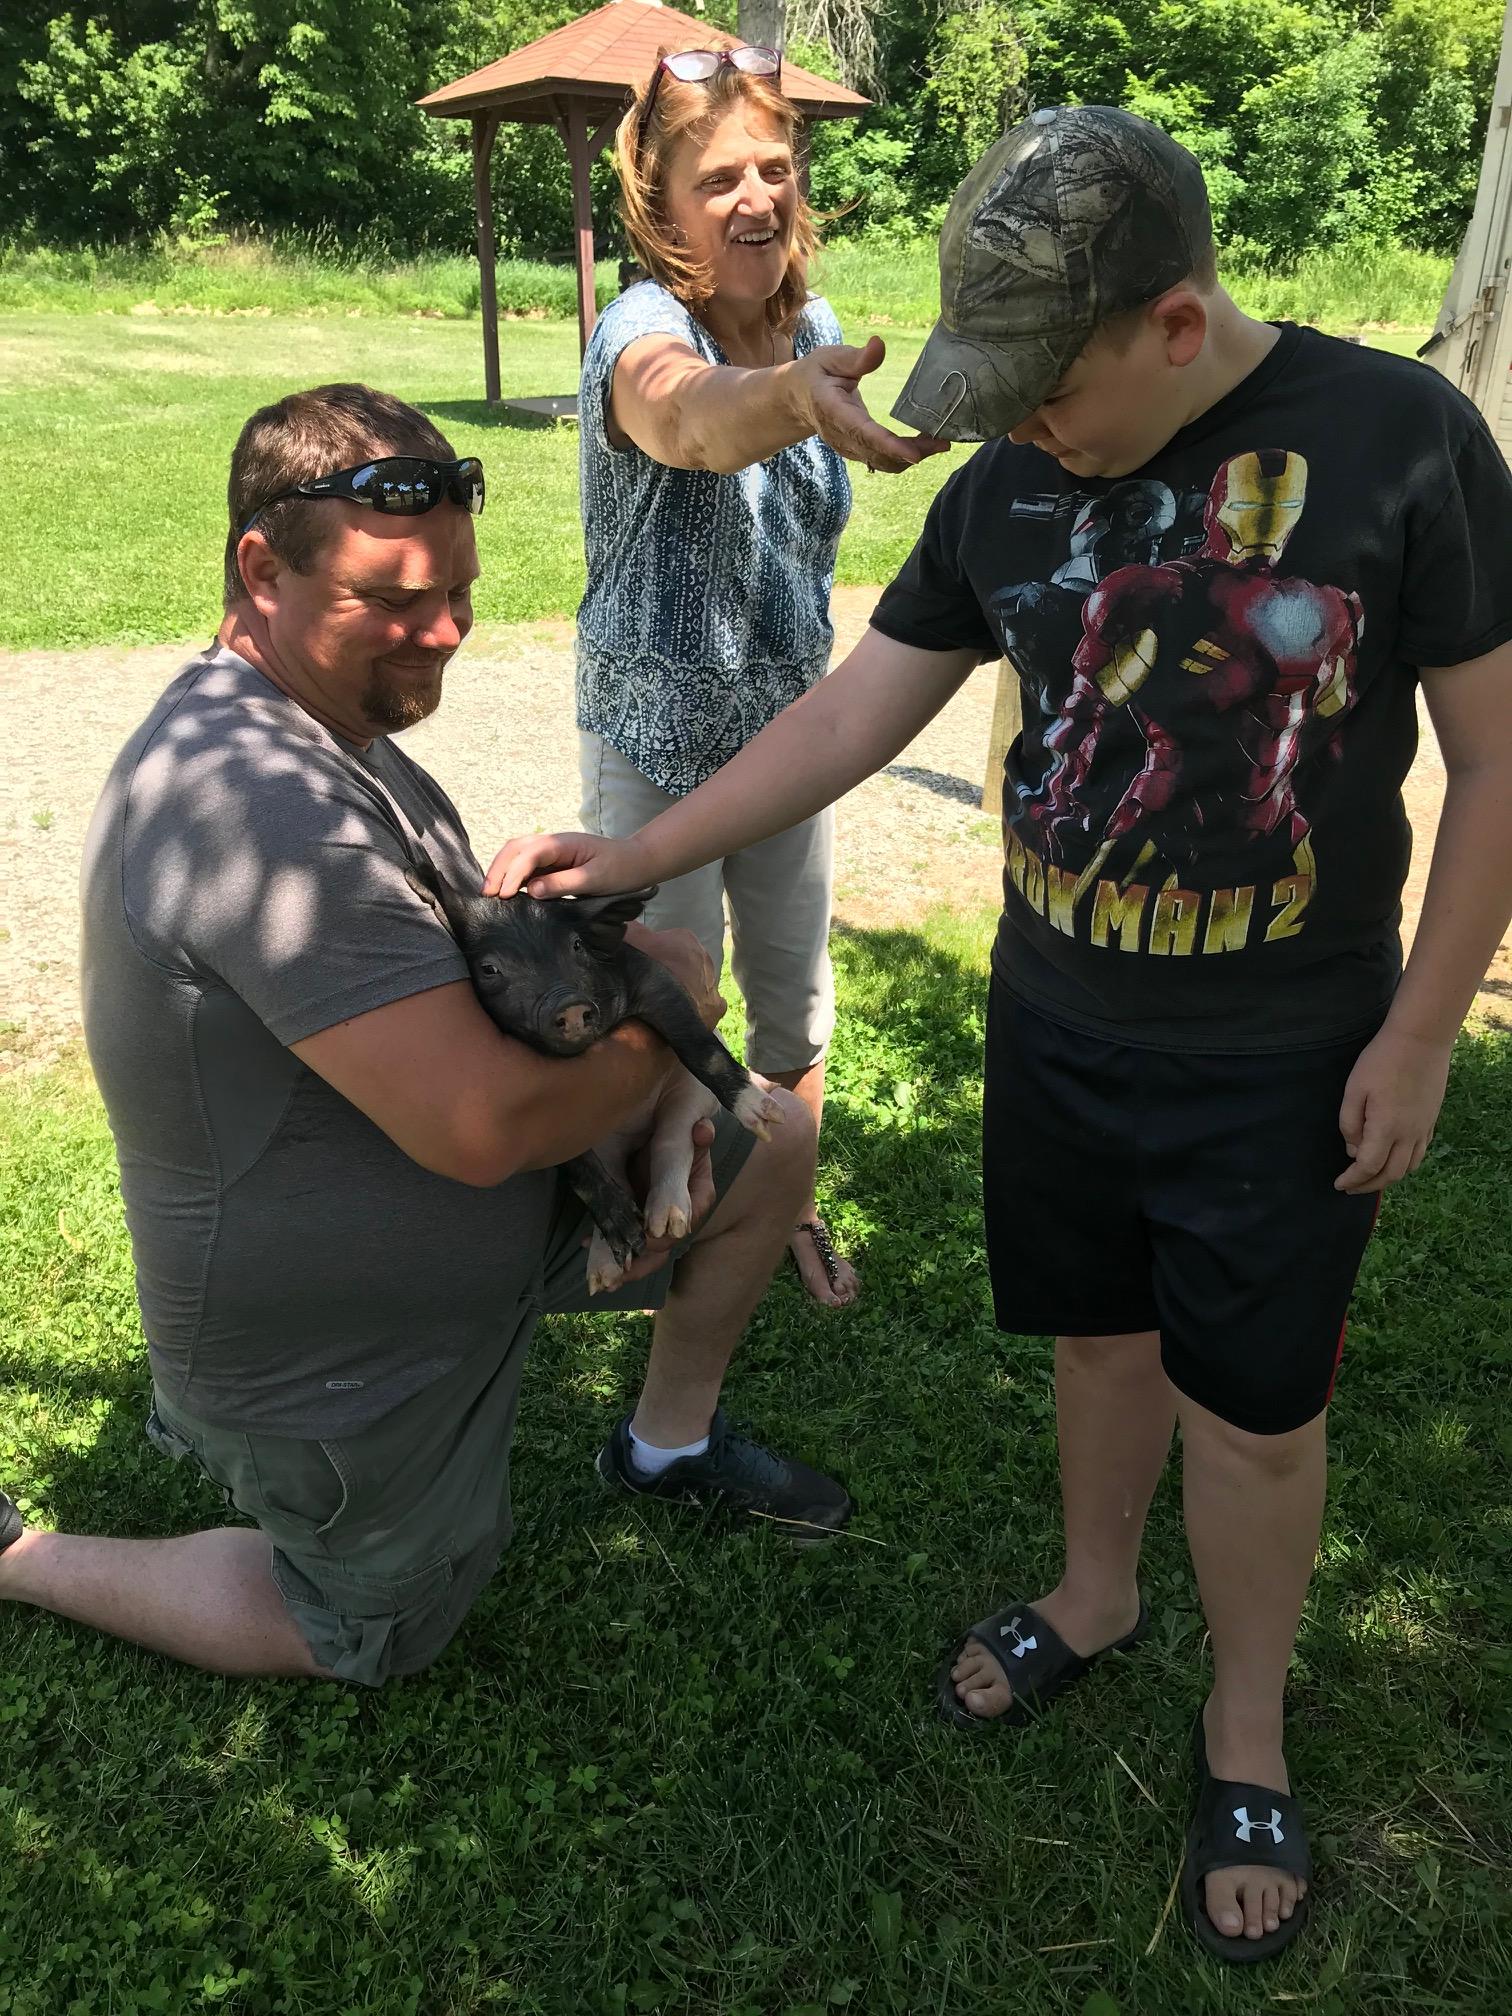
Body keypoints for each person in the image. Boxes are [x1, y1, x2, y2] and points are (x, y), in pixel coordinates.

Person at [481, 107, 1512, 1961]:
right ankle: (1095, 1594)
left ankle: (1245, 1726)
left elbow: (1498, 757)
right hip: (1056, 1022)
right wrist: (632, 854)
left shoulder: (1400, 441)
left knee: (1258, 1414)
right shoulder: (1008, 484)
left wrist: (1424, 1029)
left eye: (1050, 382)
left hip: (1280, 1050)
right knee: (1096, 1345)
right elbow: (852, 712)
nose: (1023, 420)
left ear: (1174, 326)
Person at [0, 383, 852, 1691]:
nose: (444, 632)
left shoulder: (322, 722)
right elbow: (486, 1125)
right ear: (259, 569)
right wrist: (665, 992)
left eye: (455, 590)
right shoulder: (254, 804)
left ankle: (667, 1445)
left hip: (491, 1220)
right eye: (392, 603)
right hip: (335, 1356)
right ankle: (27, 1558)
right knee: (370, 1632)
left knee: (769, 1140)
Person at [573, 42, 947, 1306]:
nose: (755, 198)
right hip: (658, 748)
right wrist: (790, 395)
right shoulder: (640, 329)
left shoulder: (822, 329)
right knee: (663, 1012)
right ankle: (636, 1229)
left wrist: (803, 372)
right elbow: (686, 414)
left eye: (775, 169)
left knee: (794, 1015)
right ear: (663, 207)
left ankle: (778, 1203)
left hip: (790, 739)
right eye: (719, 177)